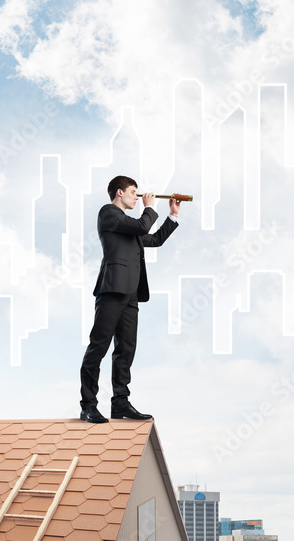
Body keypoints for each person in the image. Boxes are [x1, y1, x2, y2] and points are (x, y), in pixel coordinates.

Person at [79, 175, 180, 423]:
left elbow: (153, 239)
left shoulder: (128, 225)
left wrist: (173, 215)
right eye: (133, 192)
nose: (137, 196)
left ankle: (120, 403)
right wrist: (148, 207)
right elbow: (142, 226)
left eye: (138, 193)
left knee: (126, 349)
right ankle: (88, 405)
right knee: (99, 347)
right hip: (112, 289)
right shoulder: (109, 214)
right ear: (119, 193)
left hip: (132, 294)